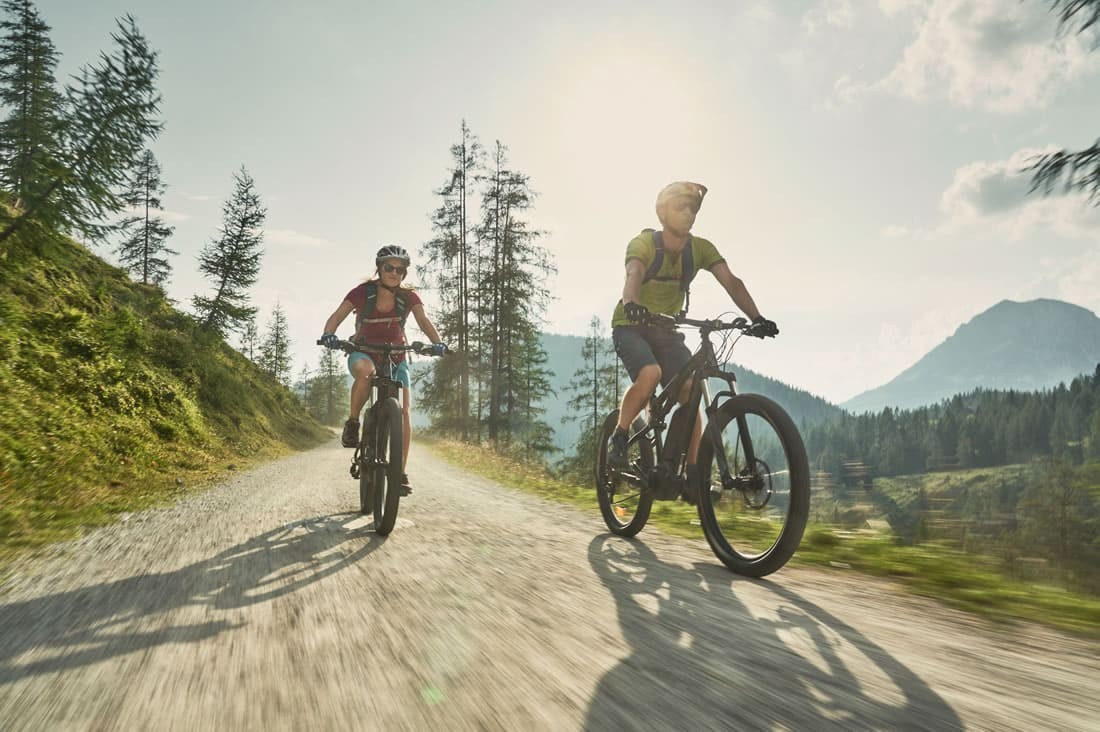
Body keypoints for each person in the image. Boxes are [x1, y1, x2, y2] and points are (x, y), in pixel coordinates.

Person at [606, 181, 778, 502]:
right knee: (651, 374)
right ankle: (619, 436)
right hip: (631, 325)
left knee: (691, 392)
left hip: (666, 330)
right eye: (680, 208)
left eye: (692, 209)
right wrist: (631, 302)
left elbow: (731, 281)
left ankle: (692, 478)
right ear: (663, 213)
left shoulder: (699, 249)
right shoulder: (644, 243)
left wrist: (756, 317)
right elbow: (633, 273)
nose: (688, 214)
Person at [320, 244, 447, 494]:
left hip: (396, 356)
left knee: (405, 412)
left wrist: (438, 343)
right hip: (363, 350)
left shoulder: (408, 297)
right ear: (379, 268)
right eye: (390, 267)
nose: (395, 273)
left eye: (401, 270)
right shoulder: (361, 293)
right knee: (365, 372)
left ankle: (398, 473)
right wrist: (328, 335)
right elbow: (336, 317)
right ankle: (354, 422)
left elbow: (423, 321)